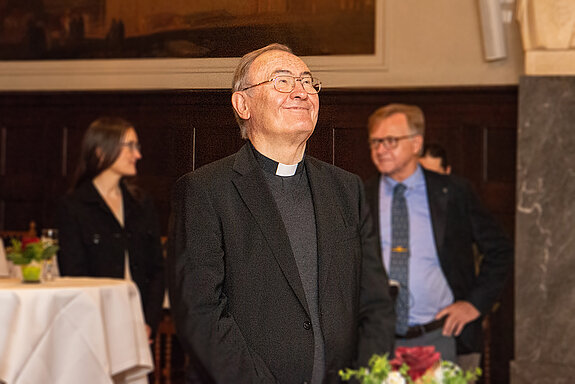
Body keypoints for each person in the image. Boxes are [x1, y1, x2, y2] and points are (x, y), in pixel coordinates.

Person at [168, 43, 395, 383]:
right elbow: (200, 314)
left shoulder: (347, 190)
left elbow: (374, 302)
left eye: (307, 81)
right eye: (282, 81)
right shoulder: (205, 191)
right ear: (243, 104)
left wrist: (362, 378)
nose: (301, 92)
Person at [364, 104, 513, 368]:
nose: (380, 149)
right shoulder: (359, 195)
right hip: (377, 341)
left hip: (442, 336)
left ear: (416, 143)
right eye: (375, 141)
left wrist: (474, 304)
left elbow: (500, 250)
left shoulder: (453, 193)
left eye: (390, 141)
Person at [57, 116, 165, 342]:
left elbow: (156, 269)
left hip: (138, 321)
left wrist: (148, 321)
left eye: (138, 146)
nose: (138, 155)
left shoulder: (141, 203)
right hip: (94, 325)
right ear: (100, 151)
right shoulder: (74, 206)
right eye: (130, 146)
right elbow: (74, 275)